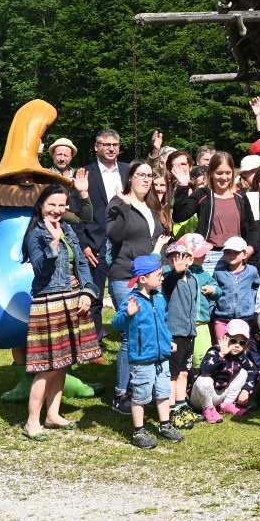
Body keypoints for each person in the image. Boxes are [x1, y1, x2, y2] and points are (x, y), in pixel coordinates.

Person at [20, 183, 103, 440]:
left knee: (63, 362)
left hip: (73, 299)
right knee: (47, 366)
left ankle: (53, 415)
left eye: (61, 204)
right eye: (51, 204)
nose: (57, 210)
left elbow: (81, 263)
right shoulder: (35, 234)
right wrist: (53, 245)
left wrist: (88, 292)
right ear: (41, 205)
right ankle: (32, 421)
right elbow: (41, 269)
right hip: (49, 302)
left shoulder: (67, 228)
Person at [99, 160, 172, 415]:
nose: (146, 179)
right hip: (125, 277)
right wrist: (126, 208)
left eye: (149, 175)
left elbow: (151, 239)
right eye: (140, 175)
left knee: (149, 331)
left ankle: (144, 387)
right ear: (129, 178)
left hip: (150, 276)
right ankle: (121, 393)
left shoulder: (150, 205)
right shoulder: (118, 203)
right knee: (131, 335)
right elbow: (115, 236)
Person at [112, 254, 184, 449]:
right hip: (142, 358)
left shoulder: (159, 298)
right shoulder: (132, 300)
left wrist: (169, 340)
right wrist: (128, 314)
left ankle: (164, 425)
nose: (162, 278)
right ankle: (139, 431)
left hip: (162, 357)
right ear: (143, 279)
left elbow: (164, 322)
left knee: (162, 392)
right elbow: (116, 323)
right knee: (141, 395)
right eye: (159, 275)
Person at [67, 128, 129, 342]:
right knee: (93, 295)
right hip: (95, 244)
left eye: (115, 144)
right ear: (96, 147)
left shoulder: (128, 171)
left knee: (129, 290)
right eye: (106, 144)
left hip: (126, 242)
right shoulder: (85, 174)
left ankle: (128, 334)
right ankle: (93, 342)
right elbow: (74, 214)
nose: (111, 148)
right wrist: (83, 245)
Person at [161, 234, 211, 417]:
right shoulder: (168, 278)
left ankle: (181, 405)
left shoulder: (193, 279)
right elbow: (167, 285)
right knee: (173, 374)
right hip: (174, 334)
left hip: (190, 333)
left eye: (182, 257)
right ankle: (172, 409)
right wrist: (176, 272)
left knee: (183, 372)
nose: (177, 261)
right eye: (173, 257)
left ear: (191, 259)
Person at [191, 318, 260, 422]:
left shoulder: (240, 356)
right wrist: (221, 355)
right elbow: (204, 371)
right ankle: (208, 409)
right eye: (233, 340)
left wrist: (246, 390)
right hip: (200, 398)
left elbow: (254, 371)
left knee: (243, 372)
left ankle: (227, 404)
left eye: (242, 343)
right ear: (225, 338)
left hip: (219, 395)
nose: (237, 345)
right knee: (204, 380)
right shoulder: (215, 351)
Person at [213, 236, 260, 342]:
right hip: (223, 318)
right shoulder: (218, 273)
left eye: (235, 252)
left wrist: (250, 300)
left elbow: (257, 287)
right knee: (222, 346)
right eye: (228, 252)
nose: (231, 255)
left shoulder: (252, 271)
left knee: (242, 347)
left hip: (245, 318)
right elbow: (215, 290)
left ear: (245, 254)